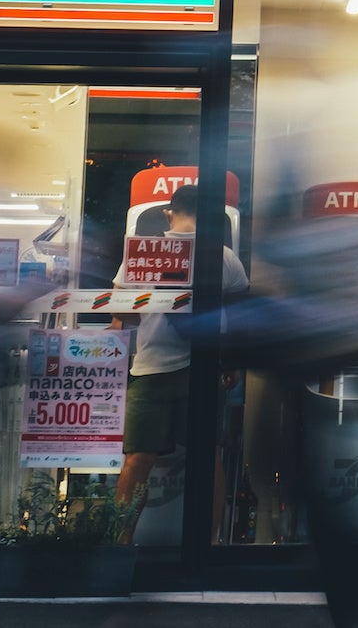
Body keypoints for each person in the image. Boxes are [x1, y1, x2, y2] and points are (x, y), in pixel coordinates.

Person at [113, 184, 249, 511]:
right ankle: (210, 544)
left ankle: (120, 543)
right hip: (204, 368)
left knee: (137, 462)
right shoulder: (224, 255)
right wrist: (231, 364)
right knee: (208, 459)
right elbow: (239, 319)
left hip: (150, 369)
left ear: (168, 212)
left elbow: (120, 312)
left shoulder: (143, 251)